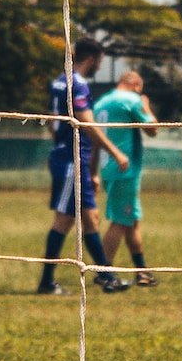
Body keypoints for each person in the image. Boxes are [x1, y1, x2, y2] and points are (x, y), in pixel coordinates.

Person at [38, 37, 132, 296]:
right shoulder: (77, 85)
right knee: (63, 220)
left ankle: (106, 277)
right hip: (71, 160)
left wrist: (91, 171)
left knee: (91, 219)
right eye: (99, 62)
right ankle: (46, 282)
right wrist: (115, 152)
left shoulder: (59, 81)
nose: (99, 68)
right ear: (90, 59)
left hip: (71, 158)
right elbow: (86, 124)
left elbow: (51, 121)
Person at [94, 69, 158, 286]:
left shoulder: (102, 102)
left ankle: (142, 272)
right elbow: (152, 129)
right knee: (120, 221)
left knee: (132, 220)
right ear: (135, 85)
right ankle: (103, 272)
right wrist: (146, 105)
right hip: (125, 168)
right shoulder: (131, 99)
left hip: (107, 167)